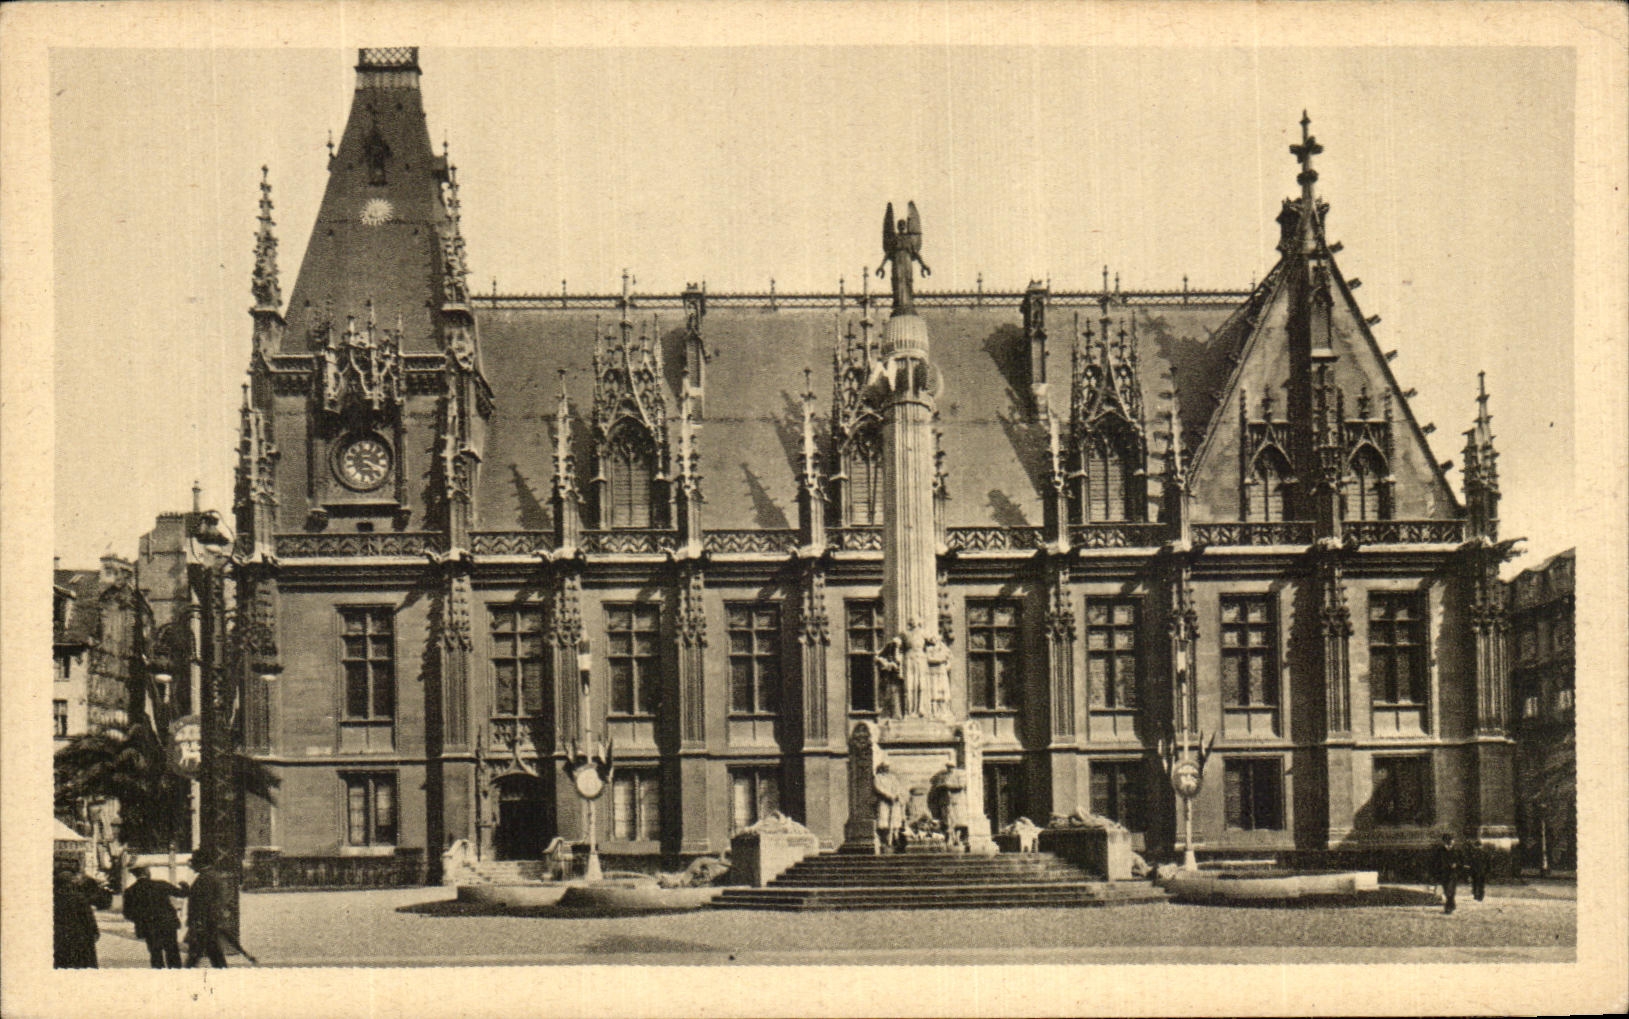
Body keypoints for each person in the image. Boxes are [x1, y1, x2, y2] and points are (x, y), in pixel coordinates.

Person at [184, 848, 255, 967]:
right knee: (213, 954)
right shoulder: (210, 876)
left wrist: (198, 922)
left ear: (200, 862)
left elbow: (204, 903)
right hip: (208, 923)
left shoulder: (205, 879)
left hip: (204, 924)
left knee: (198, 956)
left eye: (194, 861)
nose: (192, 865)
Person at [123, 865, 187, 968]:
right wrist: (184, 884)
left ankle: (159, 980)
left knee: (155, 955)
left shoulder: (130, 891)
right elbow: (183, 893)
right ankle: (176, 978)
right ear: (147, 872)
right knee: (172, 953)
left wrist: (141, 919)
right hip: (167, 924)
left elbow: (127, 914)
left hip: (148, 928)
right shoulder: (161, 884)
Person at [53, 859, 101, 968]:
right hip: (81, 938)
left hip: (60, 939)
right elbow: (89, 918)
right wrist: (95, 932)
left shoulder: (54, 899)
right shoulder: (79, 898)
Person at [1430, 832, 1461, 914]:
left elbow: (1460, 860)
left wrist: (1456, 864)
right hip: (1444, 874)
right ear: (1447, 841)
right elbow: (1437, 862)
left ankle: (1450, 906)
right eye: (1451, 840)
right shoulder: (1440, 851)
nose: (1453, 841)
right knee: (1447, 891)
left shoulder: (1455, 850)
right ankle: (1450, 906)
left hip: (1453, 874)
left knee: (1452, 891)